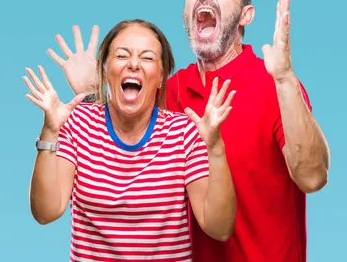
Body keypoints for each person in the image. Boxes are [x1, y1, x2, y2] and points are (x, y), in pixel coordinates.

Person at [46, 0, 330, 262]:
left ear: (246, 15)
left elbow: (312, 177)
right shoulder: (169, 91)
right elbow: (112, 144)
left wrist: (285, 78)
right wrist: (93, 91)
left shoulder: (272, 84)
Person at [24, 19, 237, 262]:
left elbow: (219, 228)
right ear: (104, 70)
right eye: (122, 55)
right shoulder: (78, 123)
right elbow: (45, 213)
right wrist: (50, 131)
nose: (134, 64)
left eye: (147, 58)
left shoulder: (183, 133)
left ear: (160, 78)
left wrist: (216, 149)